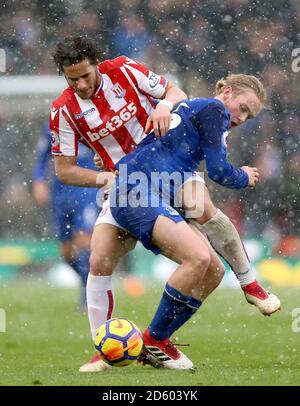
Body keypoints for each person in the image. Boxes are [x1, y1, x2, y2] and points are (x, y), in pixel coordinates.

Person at [50, 36, 278, 372]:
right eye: (73, 79)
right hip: (128, 182)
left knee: (206, 237)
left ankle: (241, 285)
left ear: (97, 64)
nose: (82, 84)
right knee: (99, 259)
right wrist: (104, 178)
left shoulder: (124, 70)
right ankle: (109, 348)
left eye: (86, 75)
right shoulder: (63, 111)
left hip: (168, 162)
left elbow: (176, 93)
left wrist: (162, 104)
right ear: (64, 76)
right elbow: (65, 171)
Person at [109, 75, 281, 369]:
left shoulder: (197, 112)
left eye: (249, 116)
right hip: (137, 192)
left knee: (213, 271)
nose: (241, 117)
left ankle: (158, 341)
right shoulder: (215, 110)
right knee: (199, 257)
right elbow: (219, 171)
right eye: (242, 108)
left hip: (157, 190)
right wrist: (244, 176)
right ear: (226, 93)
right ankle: (155, 338)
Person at [32, 123, 99, 308]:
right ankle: (89, 283)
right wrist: (38, 181)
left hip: (88, 192)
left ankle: (88, 298)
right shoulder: (53, 125)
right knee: (67, 251)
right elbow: (42, 157)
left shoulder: (96, 119)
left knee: (84, 241)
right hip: (61, 193)